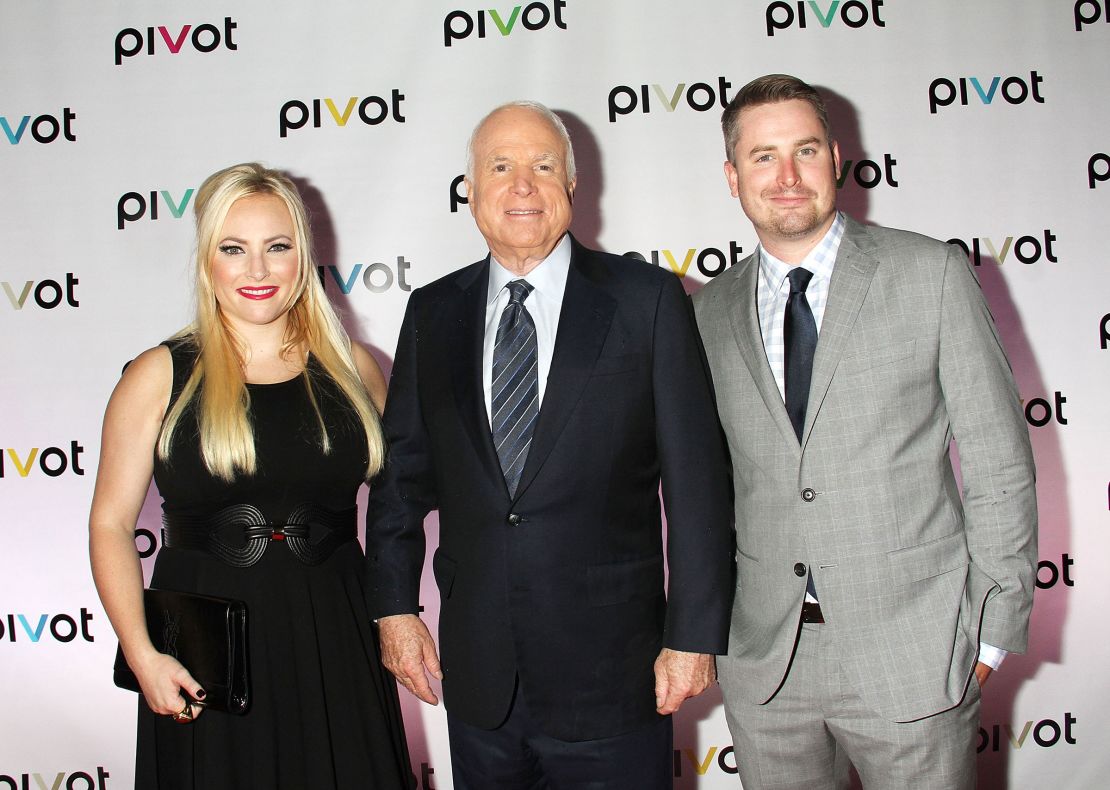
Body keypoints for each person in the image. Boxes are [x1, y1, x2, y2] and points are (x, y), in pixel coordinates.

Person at [364, 101, 732, 788]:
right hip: (478, 681)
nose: (521, 185)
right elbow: (401, 480)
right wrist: (392, 607)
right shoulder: (432, 312)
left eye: (542, 166)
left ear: (572, 184)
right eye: (500, 167)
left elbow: (697, 482)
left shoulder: (647, 300)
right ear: (470, 189)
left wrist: (692, 636)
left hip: (615, 678)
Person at [692, 74, 1038, 788]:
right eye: (762, 156)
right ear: (732, 176)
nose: (786, 176)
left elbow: (999, 459)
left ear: (837, 158)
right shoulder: (706, 312)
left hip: (916, 651)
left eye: (805, 151)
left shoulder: (930, 274)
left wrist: (995, 629)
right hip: (766, 663)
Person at [89, 163, 414, 789]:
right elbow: (109, 524)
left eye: (277, 248)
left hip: (336, 638)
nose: (257, 272)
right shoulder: (157, 376)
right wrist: (143, 653)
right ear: (206, 259)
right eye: (233, 250)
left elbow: (402, 506)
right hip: (210, 655)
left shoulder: (355, 370)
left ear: (304, 255)